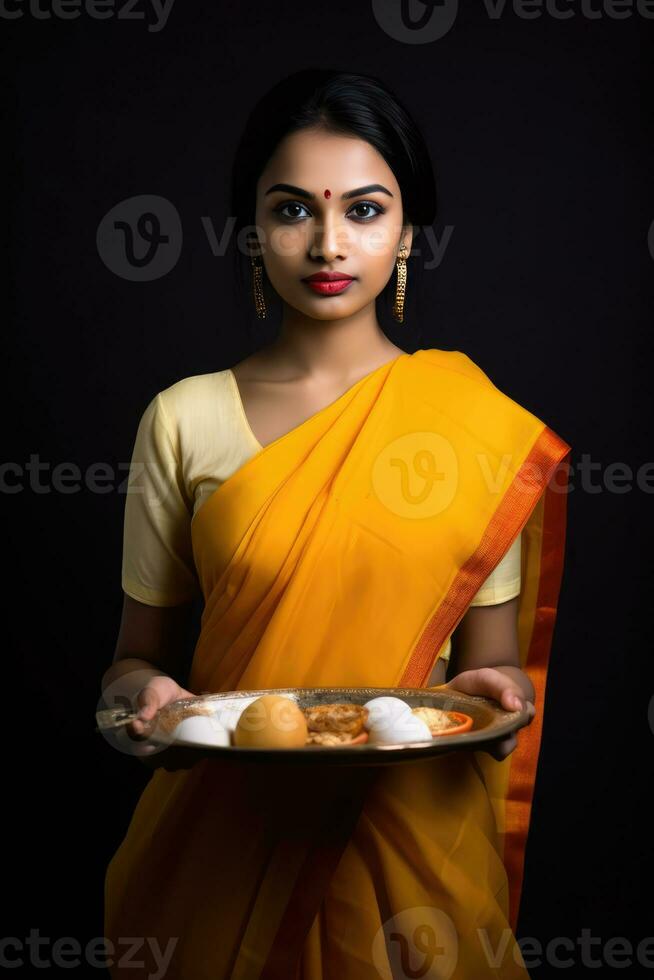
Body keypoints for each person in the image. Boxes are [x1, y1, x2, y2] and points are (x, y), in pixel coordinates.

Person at [101, 70, 571, 979]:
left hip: (416, 870)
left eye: (363, 210)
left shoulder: (474, 427)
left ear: (406, 234)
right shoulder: (184, 418)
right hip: (222, 854)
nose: (327, 242)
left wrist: (499, 692)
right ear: (252, 231)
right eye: (291, 211)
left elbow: (496, 663)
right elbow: (134, 660)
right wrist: (141, 708)